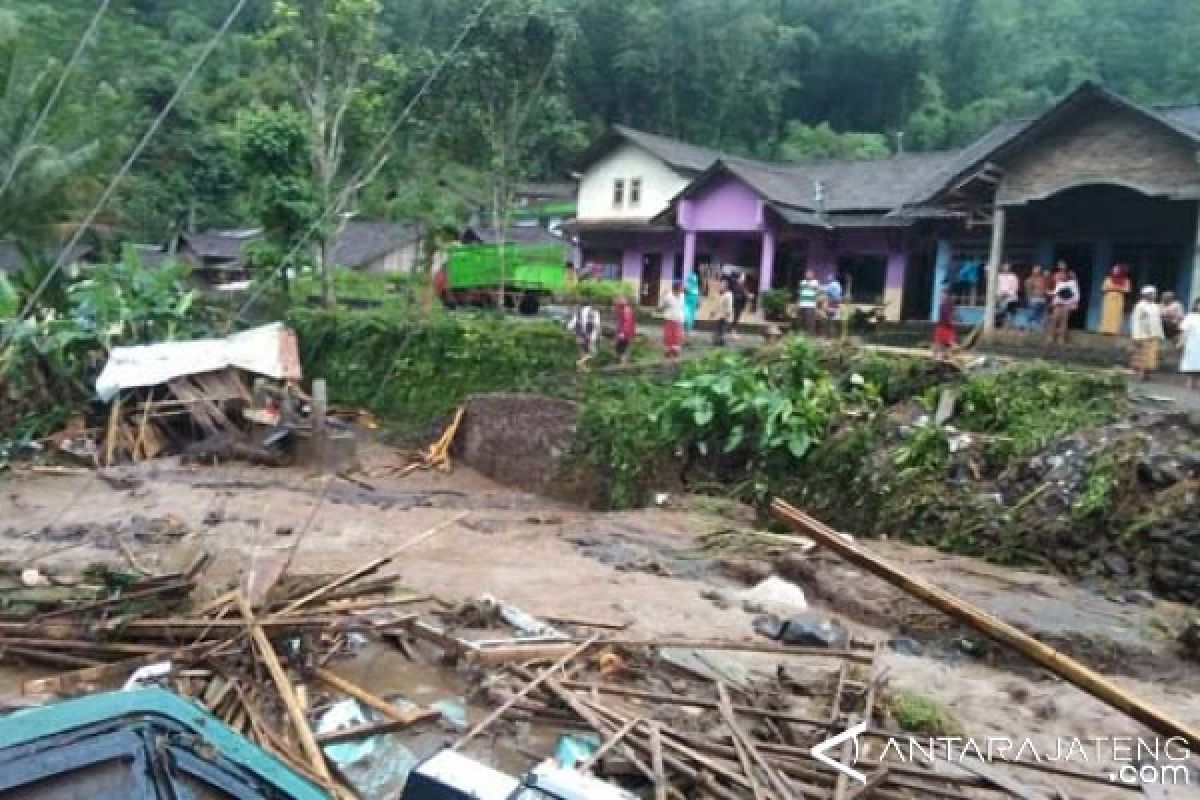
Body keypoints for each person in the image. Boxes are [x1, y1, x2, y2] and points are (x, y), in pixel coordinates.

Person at [1130, 286, 1164, 380]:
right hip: (1143, 334)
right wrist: (1136, 336)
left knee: (1151, 357)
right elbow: (1136, 321)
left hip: (1154, 335)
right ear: (1146, 295)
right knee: (1142, 356)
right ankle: (1141, 374)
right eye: (1152, 294)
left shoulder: (1155, 306)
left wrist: (1161, 335)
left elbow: (1158, 321)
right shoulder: (1140, 305)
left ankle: (1147, 374)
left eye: (1154, 294)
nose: (1154, 295)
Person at [567, 299, 601, 370]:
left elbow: (570, 325)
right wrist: (597, 335)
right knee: (593, 353)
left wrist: (572, 332)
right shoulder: (594, 312)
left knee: (582, 352)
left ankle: (581, 369)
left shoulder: (578, 313)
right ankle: (580, 362)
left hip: (579, 335)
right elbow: (597, 325)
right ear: (590, 305)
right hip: (590, 336)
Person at [1049, 268, 1079, 345]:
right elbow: (1056, 293)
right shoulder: (1059, 284)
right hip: (1058, 305)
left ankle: (1061, 338)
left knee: (1064, 322)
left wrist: (1074, 304)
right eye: (1061, 275)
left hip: (1066, 306)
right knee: (1054, 321)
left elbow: (1076, 295)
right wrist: (1052, 301)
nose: (1062, 277)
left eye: (1064, 275)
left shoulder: (1072, 283)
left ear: (1066, 276)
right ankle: (1051, 337)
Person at [1099, 265, 1131, 335]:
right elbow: (1104, 288)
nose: (1115, 271)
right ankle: (1105, 329)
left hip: (1119, 298)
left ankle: (1113, 330)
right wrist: (1117, 288)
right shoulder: (1108, 279)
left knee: (1116, 314)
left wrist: (1113, 288)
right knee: (1107, 313)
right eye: (1114, 270)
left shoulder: (1126, 280)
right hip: (1109, 297)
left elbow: (1127, 289)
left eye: (1117, 270)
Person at [660, 281, 686, 358]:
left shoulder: (683, 296)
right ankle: (668, 351)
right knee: (668, 336)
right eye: (680, 288)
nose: (681, 289)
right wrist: (663, 296)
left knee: (677, 336)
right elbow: (662, 306)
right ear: (675, 289)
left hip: (679, 320)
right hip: (669, 319)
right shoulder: (668, 296)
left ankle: (675, 351)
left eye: (681, 288)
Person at [1180, 298, 1200, 390]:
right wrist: (1181, 341)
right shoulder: (1190, 316)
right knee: (1191, 362)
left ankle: (1198, 382)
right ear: (1196, 305)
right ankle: (1190, 381)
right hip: (1192, 343)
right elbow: (1184, 330)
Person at [933, 287, 956, 361]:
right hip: (943, 325)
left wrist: (951, 321)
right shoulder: (944, 303)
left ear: (946, 294)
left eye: (943, 294)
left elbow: (950, 314)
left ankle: (943, 356)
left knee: (944, 343)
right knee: (941, 342)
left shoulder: (947, 303)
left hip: (946, 326)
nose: (941, 295)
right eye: (942, 294)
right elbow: (951, 314)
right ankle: (940, 356)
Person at [613, 295, 636, 365]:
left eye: (615, 304)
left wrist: (622, 334)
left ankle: (622, 366)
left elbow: (627, 323)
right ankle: (621, 364)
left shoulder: (626, 310)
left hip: (625, 334)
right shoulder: (623, 310)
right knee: (619, 349)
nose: (614, 306)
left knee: (622, 350)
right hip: (624, 333)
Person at [1024, 266, 1048, 333]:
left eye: (1038, 270)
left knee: (1041, 312)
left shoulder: (1043, 279)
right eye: (1035, 270)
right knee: (1032, 312)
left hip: (1042, 298)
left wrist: (1043, 293)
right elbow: (1028, 290)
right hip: (1033, 298)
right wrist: (1033, 295)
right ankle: (1029, 326)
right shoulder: (1030, 279)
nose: (1037, 271)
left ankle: (1039, 326)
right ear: (1032, 271)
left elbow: (1045, 288)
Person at [797, 269, 820, 334]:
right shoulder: (802, 282)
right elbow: (800, 293)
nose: (808, 275)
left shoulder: (815, 282)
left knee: (810, 322)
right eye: (807, 274)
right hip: (802, 304)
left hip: (810, 305)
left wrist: (816, 304)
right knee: (802, 321)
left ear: (813, 275)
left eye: (810, 274)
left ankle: (810, 336)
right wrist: (798, 303)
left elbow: (817, 292)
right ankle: (802, 335)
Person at [996, 263, 1020, 327]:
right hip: (1001, 297)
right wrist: (999, 294)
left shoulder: (1013, 276)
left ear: (1009, 269)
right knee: (1002, 311)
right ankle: (1002, 324)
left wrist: (1008, 293)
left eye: (1007, 268)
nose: (1006, 269)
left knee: (1011, 312)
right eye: (1005, 268)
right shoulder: (999, 276)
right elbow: (997, 286)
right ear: (1003, 268)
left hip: (1011, 298)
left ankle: (1011, 325)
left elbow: (1015, 287)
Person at [821, 272, 843, 337]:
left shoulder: (832, 285)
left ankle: (829, 335)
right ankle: (832, 335)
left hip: (832, 302)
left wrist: (819, 287)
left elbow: (825, 289)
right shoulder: (838, 284)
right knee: (833, 319)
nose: (828, 279)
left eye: (829, 277)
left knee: (829, 320)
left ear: (832, 278)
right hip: (836, 303)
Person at [714, 277, 734, 346]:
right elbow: (718, 304)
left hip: (725, 316)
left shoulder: (728, 295)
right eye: (721, 284)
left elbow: (729, 306)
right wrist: (714, 312)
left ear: (726, 287)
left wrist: (728, 314)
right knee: (718, 329)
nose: (720, 286)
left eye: (722, 285)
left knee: (722, 330)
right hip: (720, 315)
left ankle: (721, 341)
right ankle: (717, 340)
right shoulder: (721, 294)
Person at [730, 273, 749, 338]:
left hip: (740, 304)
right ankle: (733, 332)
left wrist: (747, 295)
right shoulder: (736, 285)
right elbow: (737, 295)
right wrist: (746, 295)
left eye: (744, 277)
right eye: (743, 277)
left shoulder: (742, 285)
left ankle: (734, 331)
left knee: (737, 318)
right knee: (736, 318)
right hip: (737, 304)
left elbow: (744, 293)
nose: (744, 278)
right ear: (739, 278)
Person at [683, 271, 701, 337]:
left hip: (692, 307)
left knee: (690, 320)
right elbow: (683, 293)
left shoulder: (696, 288)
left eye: (694, 279)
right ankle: (685, 332)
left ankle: (687, 333)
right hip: (686, 305)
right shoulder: (687, 287)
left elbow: (698, 298)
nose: (694, 281)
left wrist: (698, 304)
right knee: (686, 318)